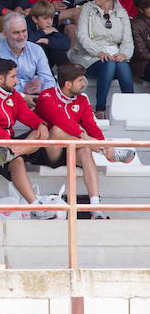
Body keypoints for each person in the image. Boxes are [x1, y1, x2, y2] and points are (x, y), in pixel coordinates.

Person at [0, 59, 53, 218]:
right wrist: (12, 143)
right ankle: (35, 206)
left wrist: (41, 124)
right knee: (17, 161)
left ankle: (16, 151)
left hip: (10, 144)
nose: (17, 81)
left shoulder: (13, 95)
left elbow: (28, 116)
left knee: (40, 133)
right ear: (0, 79)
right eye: (13, 77)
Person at [35, 63, 117, 220]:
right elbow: (62, 122)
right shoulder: (47, 96)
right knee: (57, 131)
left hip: (74, 147)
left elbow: (91, 126)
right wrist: (86, 139)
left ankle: (96, 208)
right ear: (68, 84)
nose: (84, 83)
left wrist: (102, 143)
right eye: (80, 80)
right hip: (49, 151)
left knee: (86, 150)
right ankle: (95, 147)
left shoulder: (82, 100)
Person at [69, 0, 134, 117]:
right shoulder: (87, 9)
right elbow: (82, 37)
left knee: (122, 64)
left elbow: (128, 41)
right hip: (88, 56)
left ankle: (131, 108)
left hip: (113, 55)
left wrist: (123, 54)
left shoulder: (122, 13)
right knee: (109, 63)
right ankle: (100, 109)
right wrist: (99, 52)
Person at [0, 12, 56, 106]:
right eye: (16, 32)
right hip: (7, 102)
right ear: (5, 34)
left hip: (37, 99)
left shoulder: (36, 50)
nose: (22, 36)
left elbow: (49, 80)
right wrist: (22, 96)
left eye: (24, 31)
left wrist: (43, 96)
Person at [28, 0, 71, 68]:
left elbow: (66, 44)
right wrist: (43, 32)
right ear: (35, 19)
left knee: (56, 47)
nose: (49, 22)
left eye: (51, 18)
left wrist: (45, 40)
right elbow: (26, 39)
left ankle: (68, 73)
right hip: (28, 63)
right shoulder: (26, 24)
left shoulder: (48, 26)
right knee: (40, 46)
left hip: (45, 62)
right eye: (45, 18)